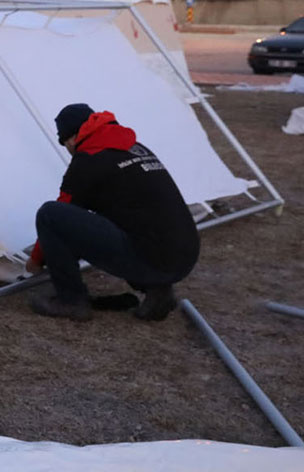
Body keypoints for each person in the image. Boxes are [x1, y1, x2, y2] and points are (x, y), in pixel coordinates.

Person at [25, 104, 199, 322]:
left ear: (71, 139)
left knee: (50, 213)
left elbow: (60, 214)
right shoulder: (135, 146)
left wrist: (36, 260)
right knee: (132, 223)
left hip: (153, 257)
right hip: (186, 253)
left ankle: (70, 300)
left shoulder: (88, 160)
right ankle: (158, 291)